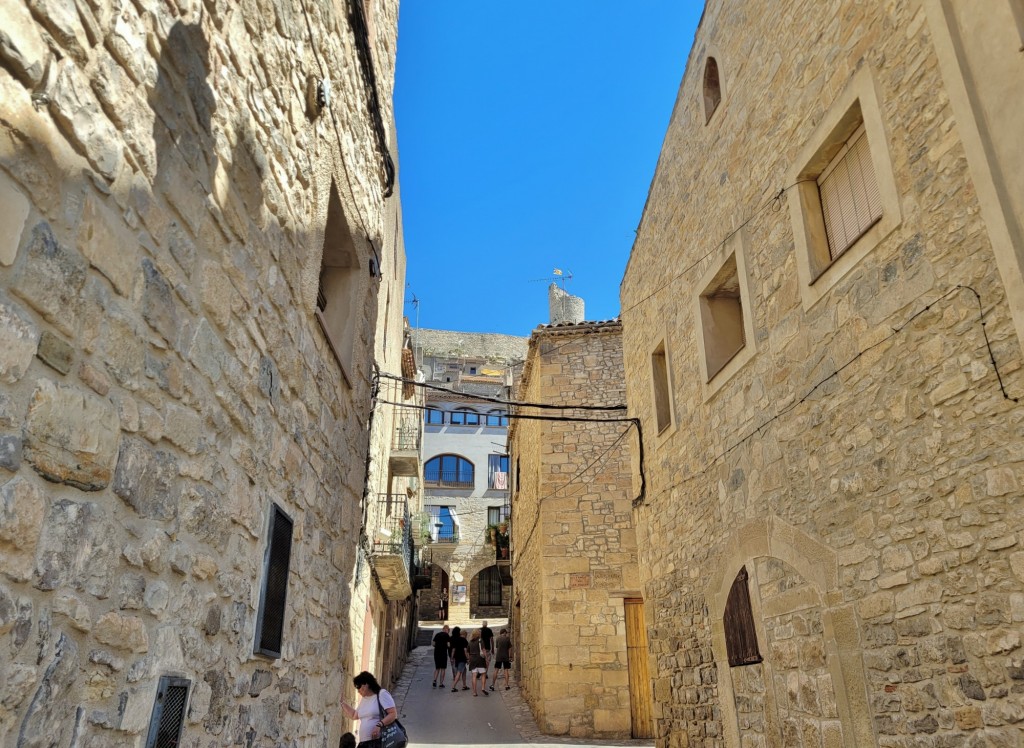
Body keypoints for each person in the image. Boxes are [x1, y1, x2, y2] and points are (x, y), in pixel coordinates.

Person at [340, 671, 399, 748]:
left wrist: (379, 725)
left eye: (359, 687)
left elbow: (393, 714)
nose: (358, 691)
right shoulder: (364, 699)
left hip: (378, 741)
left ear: (366, 684)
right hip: (364, 742)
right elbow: (354, 715)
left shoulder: (381, 694)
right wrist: (342, 703)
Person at [467, 629, 488, 696]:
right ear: (478, 634)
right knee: (483, 674)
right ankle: (483, 688)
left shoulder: (470, 642)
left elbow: (468, 652)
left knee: (474, 675)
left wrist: (468, 659)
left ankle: (474, 692)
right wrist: (486, 658)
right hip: (480, 659)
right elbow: (483, 650)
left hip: (472, 659)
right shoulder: (480, 640)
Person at [448, 626, 469, 692]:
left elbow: (453, 650)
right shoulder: (464, 640)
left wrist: (452, 658)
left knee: (464, 671)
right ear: (464, 634)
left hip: (457, 658)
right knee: (459, 672)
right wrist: (468, 658)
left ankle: (464, 685)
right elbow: (465, 650)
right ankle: (453, 687)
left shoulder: (456, 640)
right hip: (462, 658)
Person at [479, 620, 494, 689]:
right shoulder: (489, 630)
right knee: (487, 660)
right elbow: (491, 640)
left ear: (482, 624)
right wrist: (493, 648)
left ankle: (481, 672)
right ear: (487, 624)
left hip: (481, 648)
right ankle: (485, 673)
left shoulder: (479, 630)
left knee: (482, 660)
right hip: (487, 647)